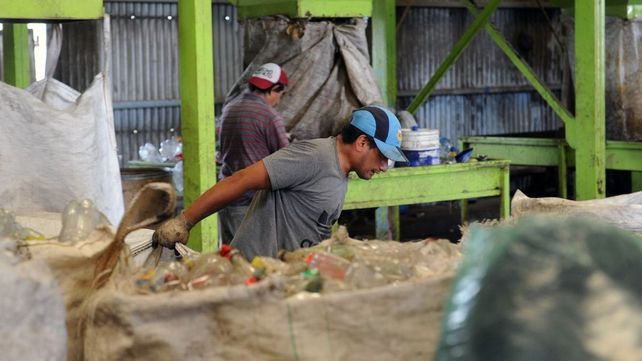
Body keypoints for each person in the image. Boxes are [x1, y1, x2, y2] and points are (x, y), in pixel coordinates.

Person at [153, 105, 409, 260]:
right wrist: (185, 220)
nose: (384, 167)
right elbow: (240, 180)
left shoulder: (339, 172)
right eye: (382, 157)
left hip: (283, 278)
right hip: (254, 276)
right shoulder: (312, 157)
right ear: (362, 142)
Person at [217, 63, 290, 244]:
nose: (279, 100)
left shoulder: (229, 109)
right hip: (251, 203)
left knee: (231, 258)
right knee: (255, 262)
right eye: (280, 94)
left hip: (226, 196)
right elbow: (288, 158)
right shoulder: (269, 116)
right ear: (275, 89)